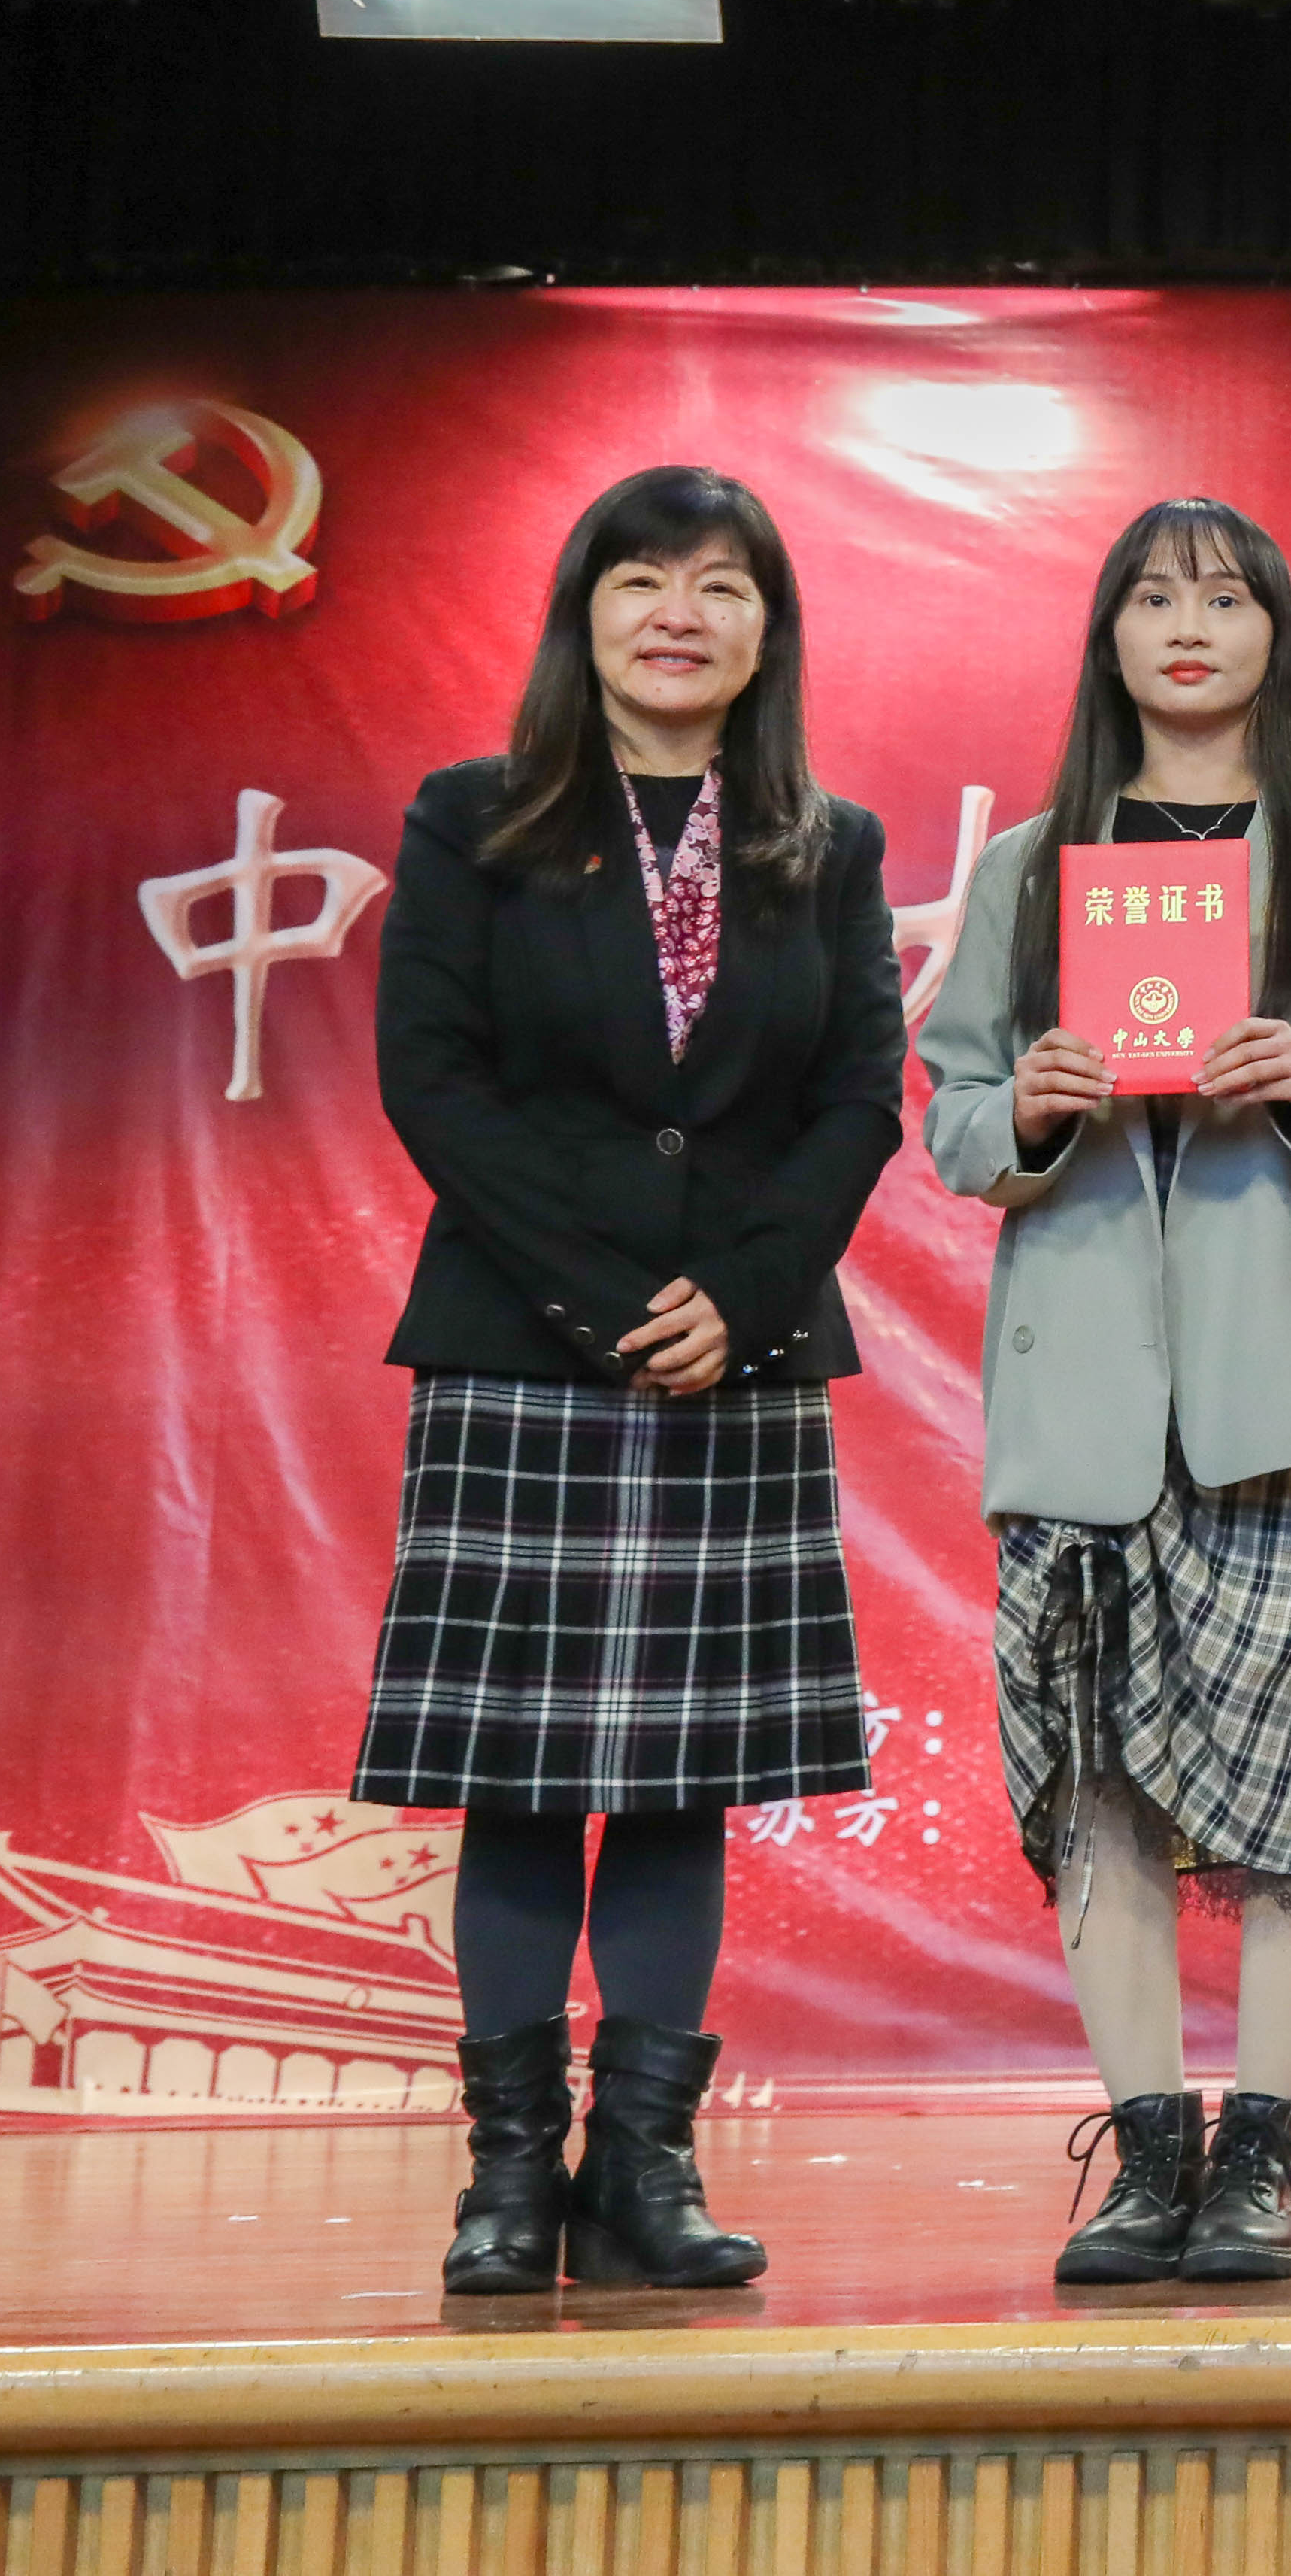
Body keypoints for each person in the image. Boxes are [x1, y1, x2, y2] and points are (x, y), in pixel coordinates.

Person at [914, 500, 1291, 2286]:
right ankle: (1146, 2148)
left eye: (1225, 598)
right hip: (1086, 1392)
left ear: (1274, 638)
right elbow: (949, 1110)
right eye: (1153, 597)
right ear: (1107, 635)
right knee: (1100, 1784)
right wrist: (1028, 1106)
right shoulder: (1029, 868)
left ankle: (1259, 2153)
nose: (1188, 625)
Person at [359, 466, 902, 2296]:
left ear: (768, 633)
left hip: (737, 1355)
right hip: (527, 1346)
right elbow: (435, 1079)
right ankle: (510, 2180)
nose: (682, 612)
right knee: (518, 1781)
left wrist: (739, 1296)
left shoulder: (827, 841)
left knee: (682, 1782)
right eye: (645, 579)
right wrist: (609, 1302)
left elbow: (860, 1097)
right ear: (582, 612)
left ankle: (644, 2173)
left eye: (724, 585)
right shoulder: (476, 817)